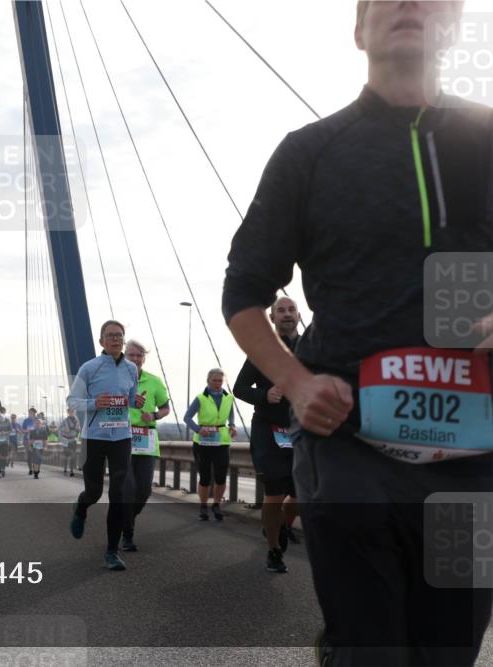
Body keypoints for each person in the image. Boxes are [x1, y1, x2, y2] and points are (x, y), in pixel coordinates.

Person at [223, 2, 492, 662]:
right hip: (347, 442)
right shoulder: (311, 151)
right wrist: (293, 378)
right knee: (373, 646)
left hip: (471, 454)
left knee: (448, 650)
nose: (406, 3)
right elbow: (243, 290)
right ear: (357, 30)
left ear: (455, 26)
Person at [67, 320, 144, 571]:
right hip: (95, 438)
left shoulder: (132, 369)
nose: (116, 339)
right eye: (110, 335)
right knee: (94, 492)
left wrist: (136, 401)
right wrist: (93, 403)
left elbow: (130, 398)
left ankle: (111, 552)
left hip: (121, 437)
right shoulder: (89, 368)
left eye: (120, 335)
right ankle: (82, 507)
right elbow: (73, 400)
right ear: (101, 341)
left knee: (118, 495)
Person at [233, 297, 301, 573]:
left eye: (291, 310)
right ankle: (274, 549)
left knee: (300, 493)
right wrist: (265, 394)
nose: (286, 314)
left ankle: (282, 524)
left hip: (301, 430)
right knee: (274, 492)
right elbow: (239, 388)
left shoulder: (312, 349)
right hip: (268, 430)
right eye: (280, 311)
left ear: (298, 316)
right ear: (272, 319)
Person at [121, 339, 170, 552]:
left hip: (147, 439)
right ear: (124, 356)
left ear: (144, 358)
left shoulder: (154, 381)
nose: (135, 359)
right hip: (122, 439)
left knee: (144, 491)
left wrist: (155, 415)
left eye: (139, 355)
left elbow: (165, 408)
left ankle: (125, 521)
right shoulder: (116, 379)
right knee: (128, 489)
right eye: (131, 355)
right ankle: (127, 535)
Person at [183, 369, 237, 521]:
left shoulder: (229, 398)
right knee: (205, 477)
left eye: (220, 381)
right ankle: (203, 506)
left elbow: (231, 415)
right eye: (214, 380)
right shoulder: (201, 398)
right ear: (208, 381)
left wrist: (232, 426)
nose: (217, 383)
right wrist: (199, 429)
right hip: (202, 442)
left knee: (220, 477)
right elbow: (187, 417)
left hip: (222, 441)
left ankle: (217, 505)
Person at [59, 407, 81, 477]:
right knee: (66, 455)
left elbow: (79, 429)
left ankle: (71, 470)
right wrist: (65, 429)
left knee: (73, 455)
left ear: (74, 412)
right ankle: (65, 468)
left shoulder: (77, 420)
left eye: (72, 411)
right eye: (70, 412)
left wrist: (77, 429)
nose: (71, 413)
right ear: (68, 412)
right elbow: (60, 429)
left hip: (73, 439)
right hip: (66, 440)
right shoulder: (65, 420)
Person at [0, 410, 12, 478]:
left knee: (4, 456)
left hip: (5, 441)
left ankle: (3, 469)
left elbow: (10, 430)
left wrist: (5, 432)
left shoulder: (7, 420)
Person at [21, 407, 37, 474]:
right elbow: (22, 430)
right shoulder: (26, 420)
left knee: (35, 455)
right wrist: (26, 431)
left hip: (36, 441)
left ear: (34, 413)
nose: (30, 414)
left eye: (31, 413)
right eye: (29, 413)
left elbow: (41, 429)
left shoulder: (37, 420)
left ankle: (34, 468)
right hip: (27, 440)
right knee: (29, 456)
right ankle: (30, 469)